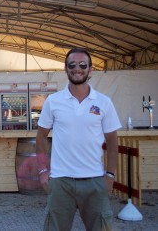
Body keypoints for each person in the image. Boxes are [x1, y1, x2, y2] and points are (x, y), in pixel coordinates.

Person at [36, 48, 121, 231]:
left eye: (83, 65)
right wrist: (43, 170)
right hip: (60, 181)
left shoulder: (104, 102)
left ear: (90, 69)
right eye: (72, 65)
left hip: (94, 181)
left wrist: (110, 175)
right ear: (66, 69)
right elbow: (41, 136)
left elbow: (113, 142)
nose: (77, 69)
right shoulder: (53, 101)